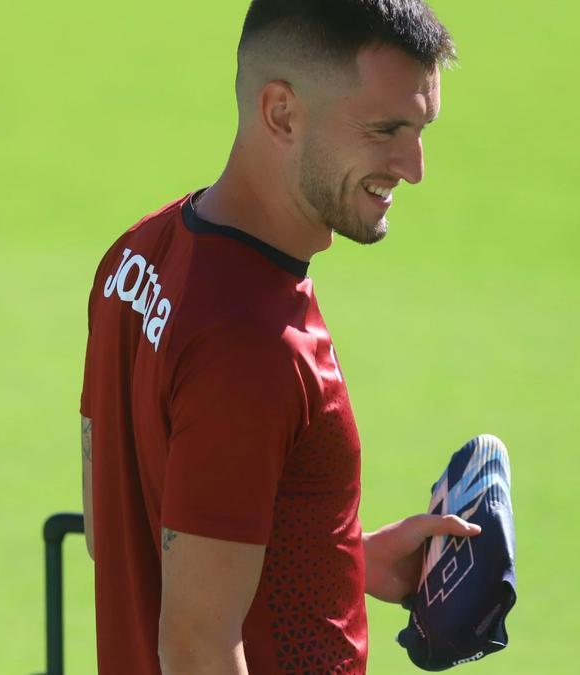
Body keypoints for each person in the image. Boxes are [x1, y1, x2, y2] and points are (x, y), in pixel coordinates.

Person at [78, 1, 476, 672]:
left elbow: (114, 527)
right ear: (282, 113)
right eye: (386, 130)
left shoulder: (136, 254)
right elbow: (198, 644)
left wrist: (334, 557)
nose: (413, 166)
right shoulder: (254, 345)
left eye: (420, 128)